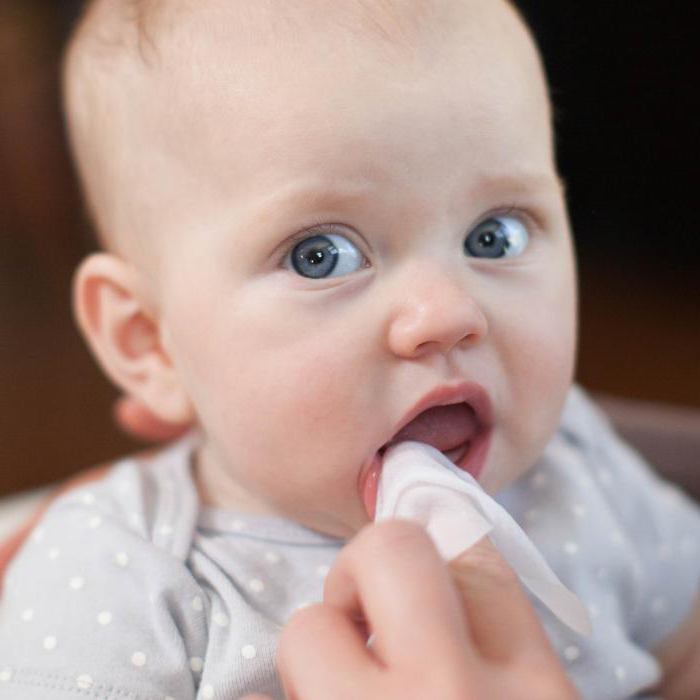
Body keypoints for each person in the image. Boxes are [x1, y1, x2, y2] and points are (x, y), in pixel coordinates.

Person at [0, 0, 697, 697]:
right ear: (148, 340)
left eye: (497, 235)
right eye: (320, 255)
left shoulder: (580, 465)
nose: (447, 314)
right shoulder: (119, 576)